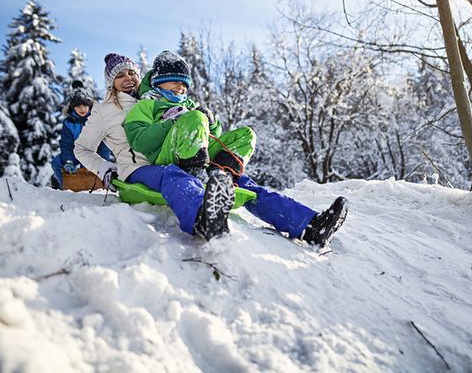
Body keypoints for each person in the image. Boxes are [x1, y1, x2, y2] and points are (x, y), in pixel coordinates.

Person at [122, 50, 348, 245]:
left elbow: (215, 136)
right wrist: (174, 121)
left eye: (184, 84)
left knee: (246, 145)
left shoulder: (189, 105)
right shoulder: (146, 104)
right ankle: (203, 216)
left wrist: (212, 121)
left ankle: (310, 226)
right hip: (169, 156)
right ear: (159, 81)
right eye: (175, 82)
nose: (181, 88)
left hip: (201, 155)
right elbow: (139, 140)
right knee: (192, 127)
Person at [50, 80, 112, 190]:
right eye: (78, 106)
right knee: (57, 163)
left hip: (94, 152)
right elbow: (66, 144)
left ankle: (98, 188)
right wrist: (68, 161)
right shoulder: (69, 123)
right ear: (73, 108)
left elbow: (104, 144)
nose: (82, 109)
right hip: (75, 153)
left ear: (89, 106)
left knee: (88, 168)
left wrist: (103, 161)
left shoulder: (96, 120)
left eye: (85, 105)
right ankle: (64, 186)